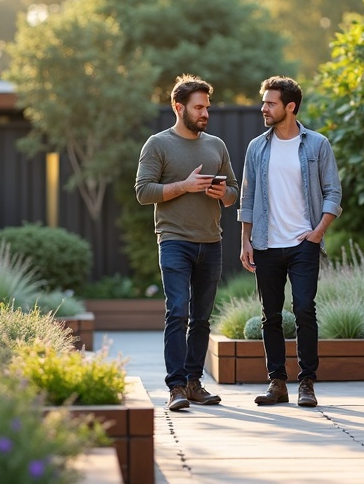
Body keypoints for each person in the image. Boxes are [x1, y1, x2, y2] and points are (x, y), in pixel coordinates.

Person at [135, 74, 239, 411]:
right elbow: (143, 191)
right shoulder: (158, 144)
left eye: (207, 107)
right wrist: (185, 185)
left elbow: (234, 193)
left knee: (202, 318)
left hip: (211, 242)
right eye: (199, 108)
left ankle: (195, 383)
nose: (205, 113)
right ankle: (176, 388)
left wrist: (224, 194)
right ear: (179, 108)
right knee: (177, 312)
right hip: (174, 241)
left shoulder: (216, 145)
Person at [238, 76, 342, 407]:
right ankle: (277, 383)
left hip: (303, 244)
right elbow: (248, 195)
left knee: (304, 310)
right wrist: (246, 240)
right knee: (270, 315)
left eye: (270, 103)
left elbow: (333, 191)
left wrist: (318, 232)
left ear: (290, 107)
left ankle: (307, 383)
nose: (263, 108)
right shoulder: (257, 147)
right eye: (264, 102)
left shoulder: (317, 144)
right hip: (267, 243)